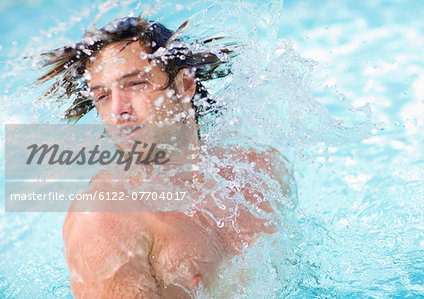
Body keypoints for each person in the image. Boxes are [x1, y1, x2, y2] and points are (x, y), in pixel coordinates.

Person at [37, 16, 292, 298]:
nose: (118, 110)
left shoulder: (260, 171)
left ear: (185, 85)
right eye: (103, 96)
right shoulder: (105, 219)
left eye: (135, 84)